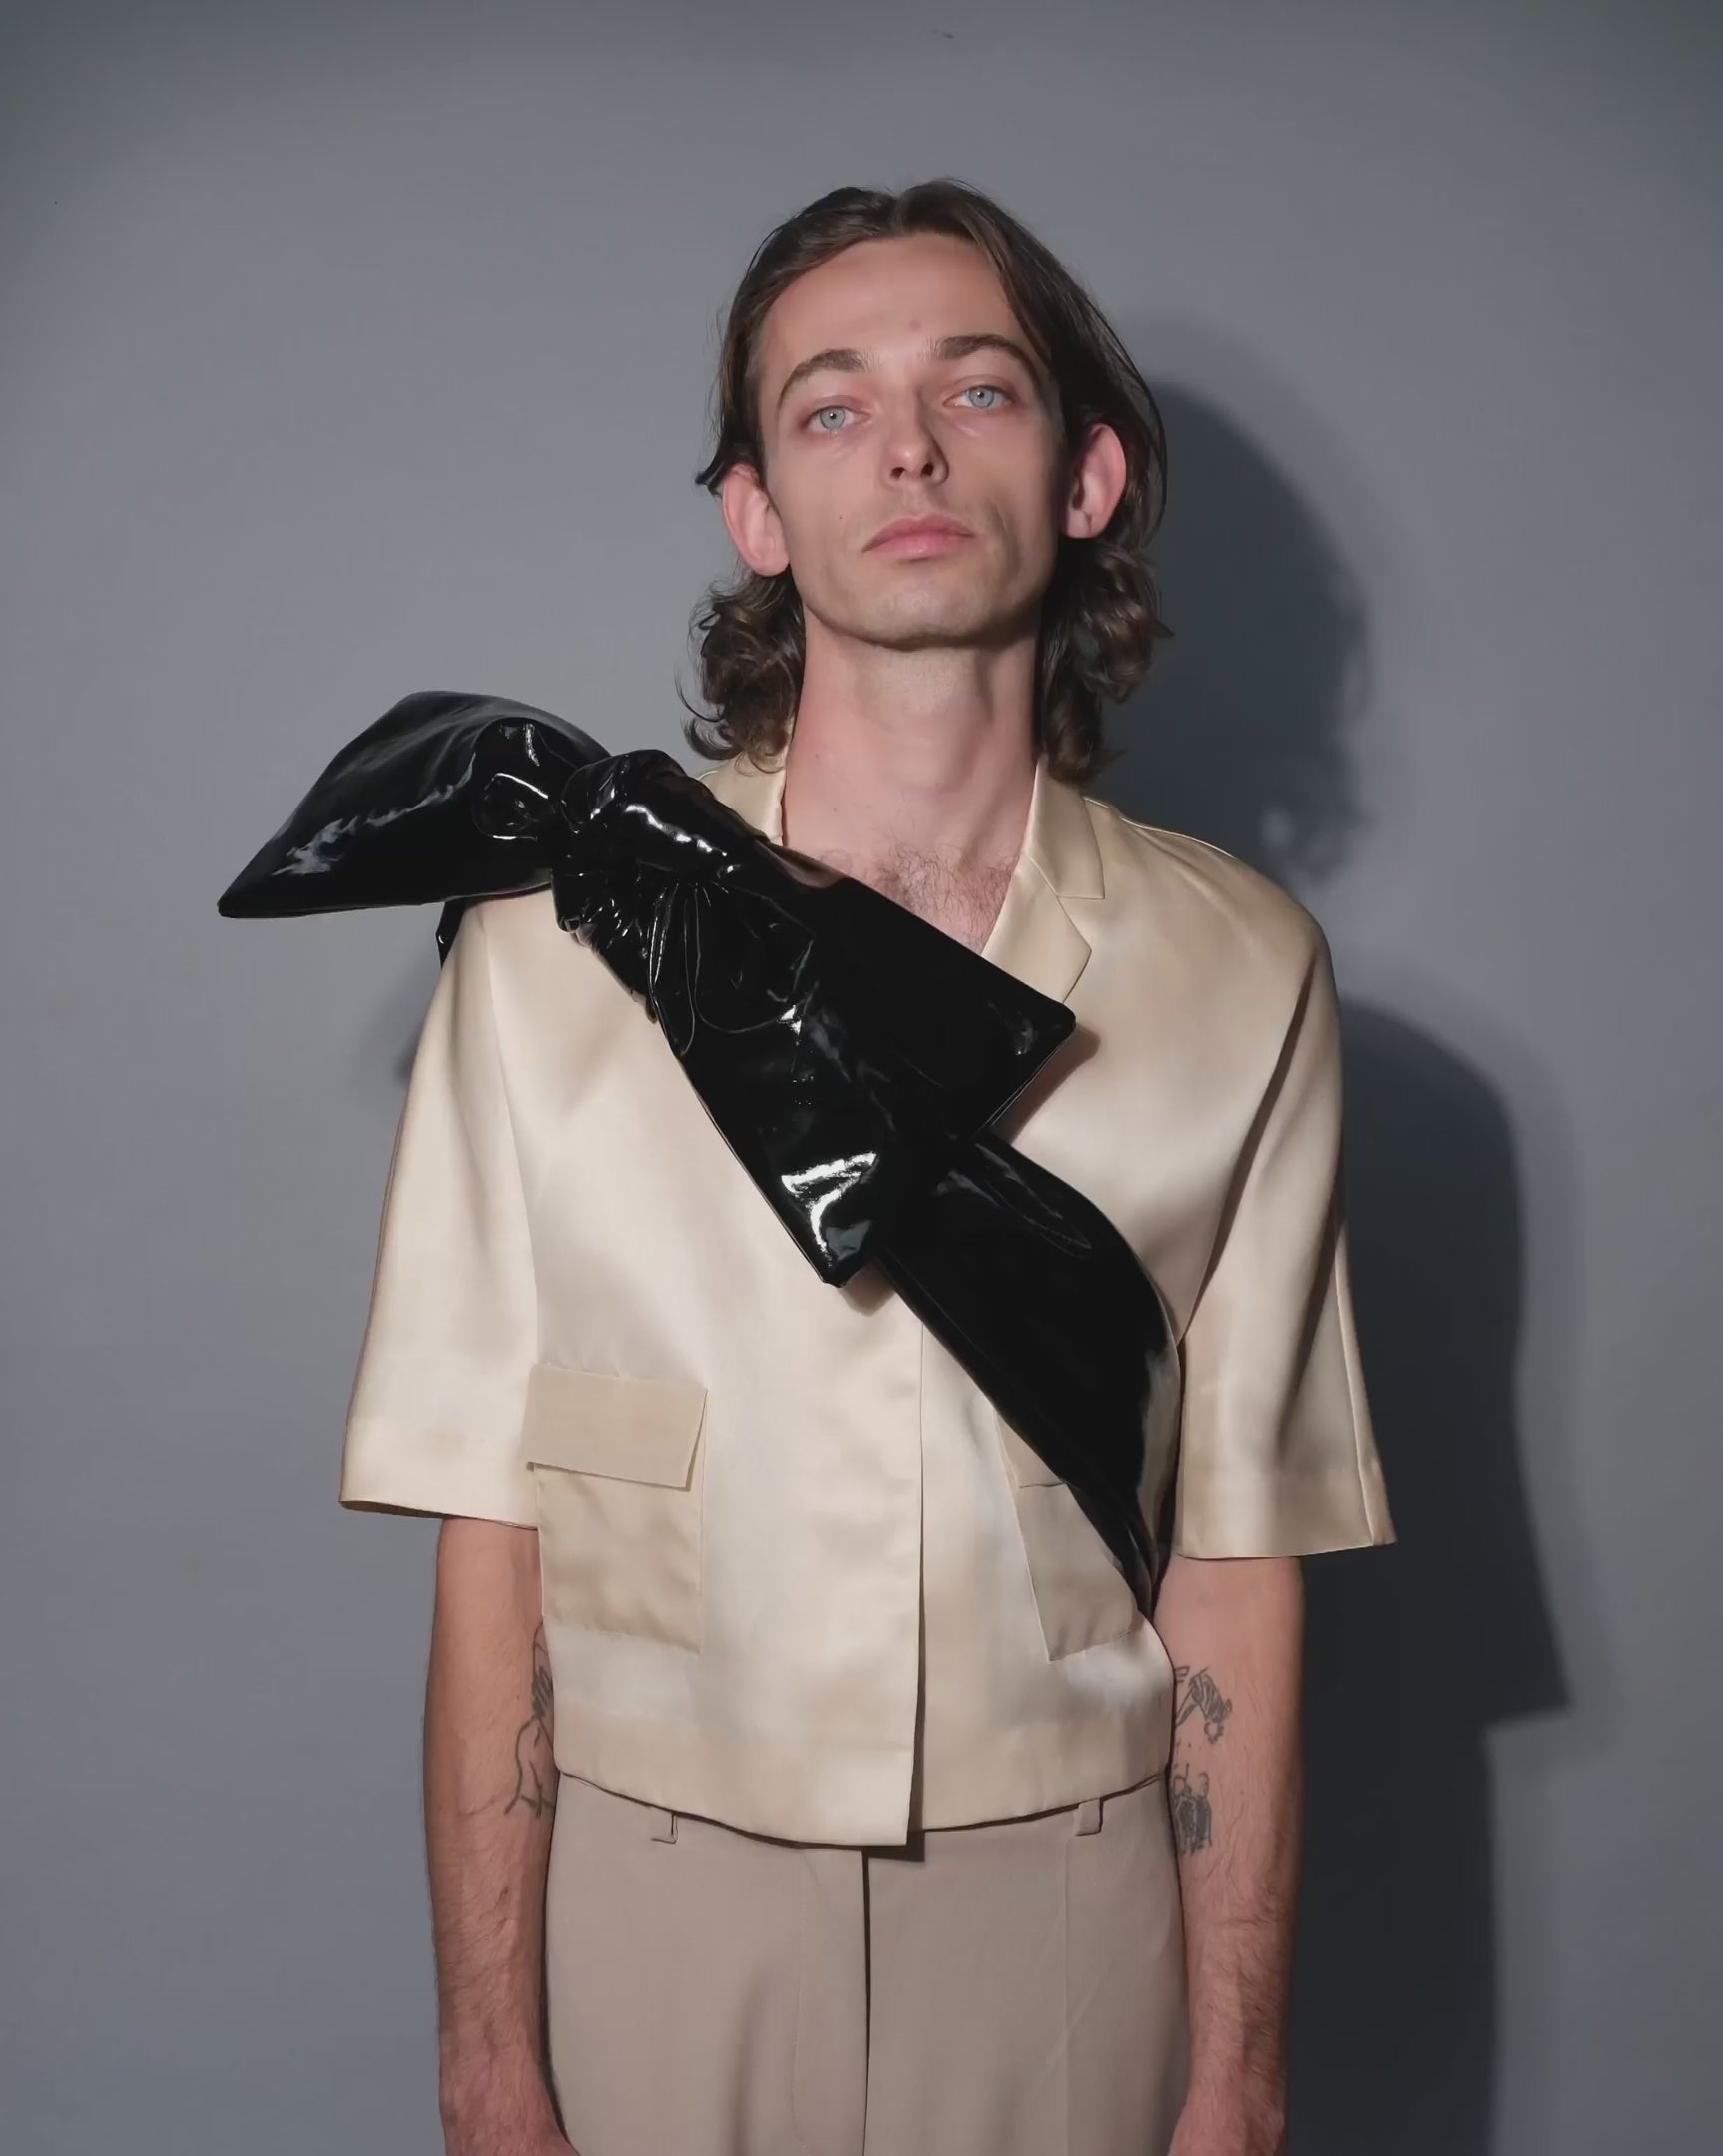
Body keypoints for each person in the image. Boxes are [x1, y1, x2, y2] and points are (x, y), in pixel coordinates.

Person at [334, 179, 1394, 2156]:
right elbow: (491, 1530)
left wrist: (1236, 2079)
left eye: (974, 391)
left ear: (1085, 476)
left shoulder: (1243, 968)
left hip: (1066, 1917)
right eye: (829, 406)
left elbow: (1238, 1561)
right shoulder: (553, 945)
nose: (904, 448)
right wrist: (485, 2058)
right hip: (650, 1907)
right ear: (756, 513)